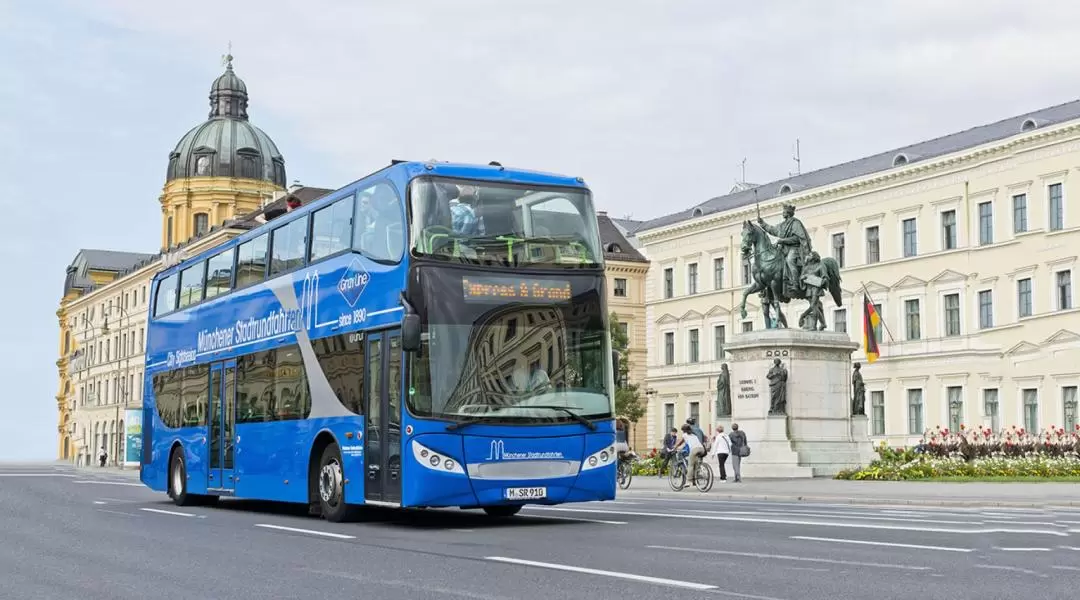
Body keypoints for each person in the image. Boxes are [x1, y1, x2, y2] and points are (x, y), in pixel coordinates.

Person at [757, 202, 811, 300]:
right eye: (783, 211)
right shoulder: (782, 225)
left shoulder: (795, 223)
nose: (783, 213)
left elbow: (798, 238)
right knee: (773, 262)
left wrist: (783, 240)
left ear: (789, 213)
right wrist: (762, 223)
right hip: (783, 249)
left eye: (784, 211)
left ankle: (795, 284)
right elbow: (772, 230)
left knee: (790, 260)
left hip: (794, 249)